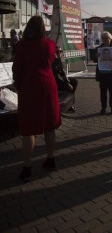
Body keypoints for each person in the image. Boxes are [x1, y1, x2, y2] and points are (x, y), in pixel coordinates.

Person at [12, 15, 61, 182]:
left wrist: (19, 86)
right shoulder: (50, 45)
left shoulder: (22, 46)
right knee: (49, 126)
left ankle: (27, 168)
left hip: (30, 88)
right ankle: (51, 158)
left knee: (28, 130)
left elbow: (17, 69)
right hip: (48, 86)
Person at [94, 31, 112, 115]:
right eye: (104, 38)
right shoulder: (98, 49)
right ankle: (103, 107)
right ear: (102, 39)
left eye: (107, 38)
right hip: (102, 73)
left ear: (110, 39)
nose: (106, 40)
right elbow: (95, 60)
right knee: (103, 92)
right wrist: (96, 57)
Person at [52, 46, 78, 112]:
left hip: (57, 80)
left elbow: (62, 73)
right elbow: (55, 75)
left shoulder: (59, 60)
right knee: (67, 85)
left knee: (74, 82)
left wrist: (67, 82)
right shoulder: (52, 61)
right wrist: (66, 83)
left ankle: (69, 104)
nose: (59, 53)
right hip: (53, 82)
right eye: (57, 51)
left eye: (60, 51)